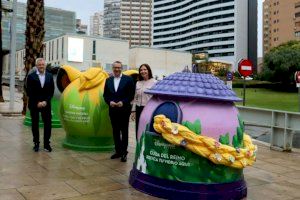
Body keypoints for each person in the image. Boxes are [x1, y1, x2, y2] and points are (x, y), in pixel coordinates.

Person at [103, 61, 135, 162]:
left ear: (122, 68)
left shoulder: (128, 79)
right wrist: (110, 102)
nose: (117, 69)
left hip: (124, 110)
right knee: (115, 131)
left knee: (124, 131)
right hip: (113, 110)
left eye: (119, 67)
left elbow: (131, 95)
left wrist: (123, 102)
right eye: (115, 67)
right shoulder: (108, 80)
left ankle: (124, 152)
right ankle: (118, 151)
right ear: (112, 68)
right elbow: (105, 95)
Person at [26, 58, 54, 152]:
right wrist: (37, 102)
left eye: (43, 64)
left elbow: (51, 91)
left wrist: (45, 101)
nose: (41, 66)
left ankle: (47, 144)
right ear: (36, 66)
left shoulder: (50, 76)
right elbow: (29, 91)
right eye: (39, 65)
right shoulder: (31, 76)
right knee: (35, 124)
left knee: (48, 124)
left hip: (46, 104)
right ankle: (36, 143)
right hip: (35, 104)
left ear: (45, 65)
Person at [132, 64, 157, 139]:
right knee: (138, 128)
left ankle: (147, 148)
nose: (143, 71)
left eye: (145, 69)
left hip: (149, 109)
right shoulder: (138, 83)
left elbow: (156, 98)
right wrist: (133, 111)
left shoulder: (155, 82)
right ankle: (139, 147)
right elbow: (135, 97)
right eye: (141, 70)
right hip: (138, 108)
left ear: (149, 70)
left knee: (147, 128)